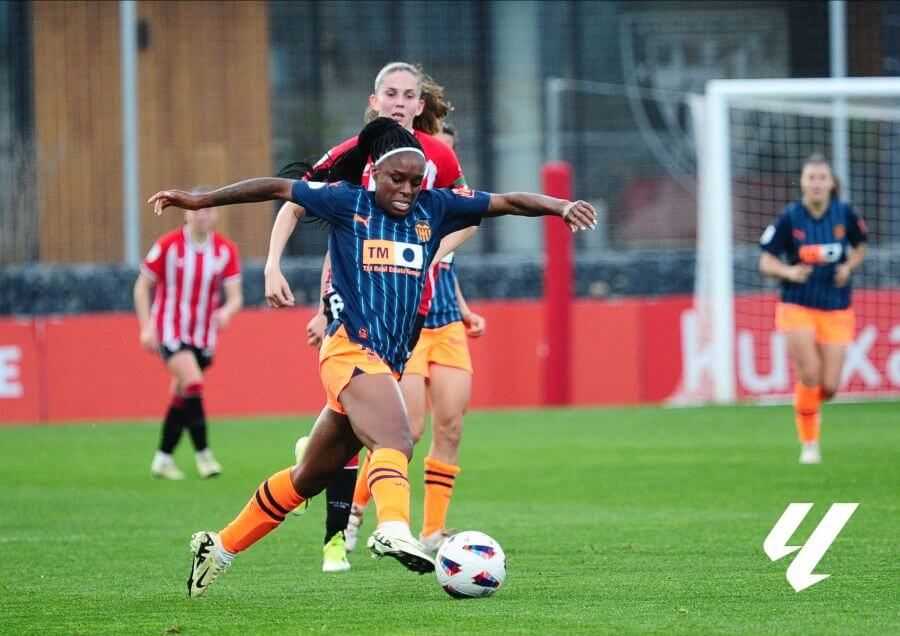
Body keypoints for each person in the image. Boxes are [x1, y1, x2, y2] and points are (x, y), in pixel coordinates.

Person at [148, 116, 596, 597]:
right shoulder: (346, 203)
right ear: (374, 175)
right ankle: (394, 527)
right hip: (348, 350)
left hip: (387, 361)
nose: (406, 190)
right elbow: (276, 187)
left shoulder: (435, 208)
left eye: (414, 181)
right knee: (398, 438)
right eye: (395, 179)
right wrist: (199, 199)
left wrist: (560, 205)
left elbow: (506, 202)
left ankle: (217, 547)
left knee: (308, 478)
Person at [290, 62, 475, 572]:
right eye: (389, 93)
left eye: (408, 94)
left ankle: (427, 529)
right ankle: (356, 527)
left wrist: (441, 259)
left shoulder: (440, 157)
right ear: (375, 101)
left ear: (420, 104)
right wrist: (318, 298)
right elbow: (320, 217)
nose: (398, 101)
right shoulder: (354, 157)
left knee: (441, 425)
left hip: (422, 311)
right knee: (401, 429)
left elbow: (471, 215)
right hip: (360, 310)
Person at [344, 119, 484, 555]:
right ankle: (356, 511)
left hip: (446, 319)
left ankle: (433, 531)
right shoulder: (398, 206)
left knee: (452, 425)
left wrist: (462, 307)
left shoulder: (445, 208)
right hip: (407, 326)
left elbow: (447, 262)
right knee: (408, 430)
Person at [759, 154, 867, 464]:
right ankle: (809, 445)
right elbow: (765, 261)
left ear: (832, 183)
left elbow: (860, 247)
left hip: (836, 306)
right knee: (809, 374)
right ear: (803, 182)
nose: (817, 183)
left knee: (830, 386)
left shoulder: (845, 214)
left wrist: (848, 266)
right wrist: (789, 272)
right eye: (811, 177)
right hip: (797, 304)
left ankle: (807, 406)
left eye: (822, 177)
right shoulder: (790, 217)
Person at [133, 188, 243, 480]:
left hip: (204, 335)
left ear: (215, 213)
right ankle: (204, 455)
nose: (201, 214)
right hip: (170, 329)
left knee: (181, 396)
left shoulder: (225, 250)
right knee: (192, 382)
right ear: (186, 212)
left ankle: (162, 458)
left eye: (207, 209)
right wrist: (147, 326)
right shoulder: (168, 245)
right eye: (196, 209)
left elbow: (235, 297)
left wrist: (227, 312)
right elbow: (142, 286)